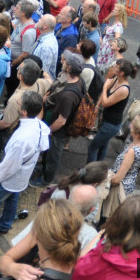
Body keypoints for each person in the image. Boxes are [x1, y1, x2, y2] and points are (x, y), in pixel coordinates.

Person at [0, 91, 49, 234]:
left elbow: (9, 166)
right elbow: (44, 145)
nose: (17, 103)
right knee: (12, 200)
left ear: (24, 111)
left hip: (9, 179)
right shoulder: (39, 125)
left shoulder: (21, 139)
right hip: (23, 177)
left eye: (19, 103)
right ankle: (5, 225)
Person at [31, 51, 87, 188]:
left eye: (65, 62)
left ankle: (46, 179)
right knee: (48, 152)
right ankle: (43, 169)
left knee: (53, 156)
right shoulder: (78, 81)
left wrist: (49, 130)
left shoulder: (69, 95)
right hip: (54, 125)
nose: (63, 62)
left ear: (69, 68)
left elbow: (62, 120)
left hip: (58, 131)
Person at [87, 59, 135, 163]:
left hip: (111, 125)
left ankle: (89, 173)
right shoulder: (116, 79)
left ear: (121, 72)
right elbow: (103, 102)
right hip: (106, 120)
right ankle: (98, 169)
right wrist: (97, 106)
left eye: (116, 67)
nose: (113, 67)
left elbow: (106, 102)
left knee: (92, 148)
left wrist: (105, 88)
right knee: (102, 147)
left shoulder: (123, 89)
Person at [107, 113, 140, 199]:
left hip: (120, 188)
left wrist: (104, 181)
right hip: (131, 181)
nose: (129, 126)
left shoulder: (132, 152)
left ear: (137, 134)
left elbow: (117, 179)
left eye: (132, 126)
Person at [97, 4, 126, 71]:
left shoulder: (118, 26)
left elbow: (118, 39)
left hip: (107, 50)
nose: (113, 10)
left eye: (115, 10)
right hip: (105, 48)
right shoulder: (116, 22)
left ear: (119, 13)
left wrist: (110, 42)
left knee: (102, 68)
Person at [32, 14, 59, 79]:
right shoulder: (44, 38)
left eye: (41, 19)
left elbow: (43, 71)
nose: (38, 20)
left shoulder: (47, 46)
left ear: (45, 26)